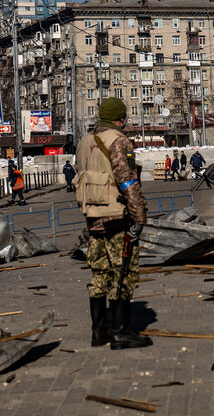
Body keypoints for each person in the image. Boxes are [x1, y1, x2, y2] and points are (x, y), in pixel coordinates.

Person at [76, 97, 151, 350]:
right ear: (121, 118)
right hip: (117, 216)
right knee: (123, 273)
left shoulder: (85, 142)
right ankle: (121, 333)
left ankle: (99, 332)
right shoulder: (118, 141)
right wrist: (139, 217)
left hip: (93, 216)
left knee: (99, 273)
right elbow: (127, 181)